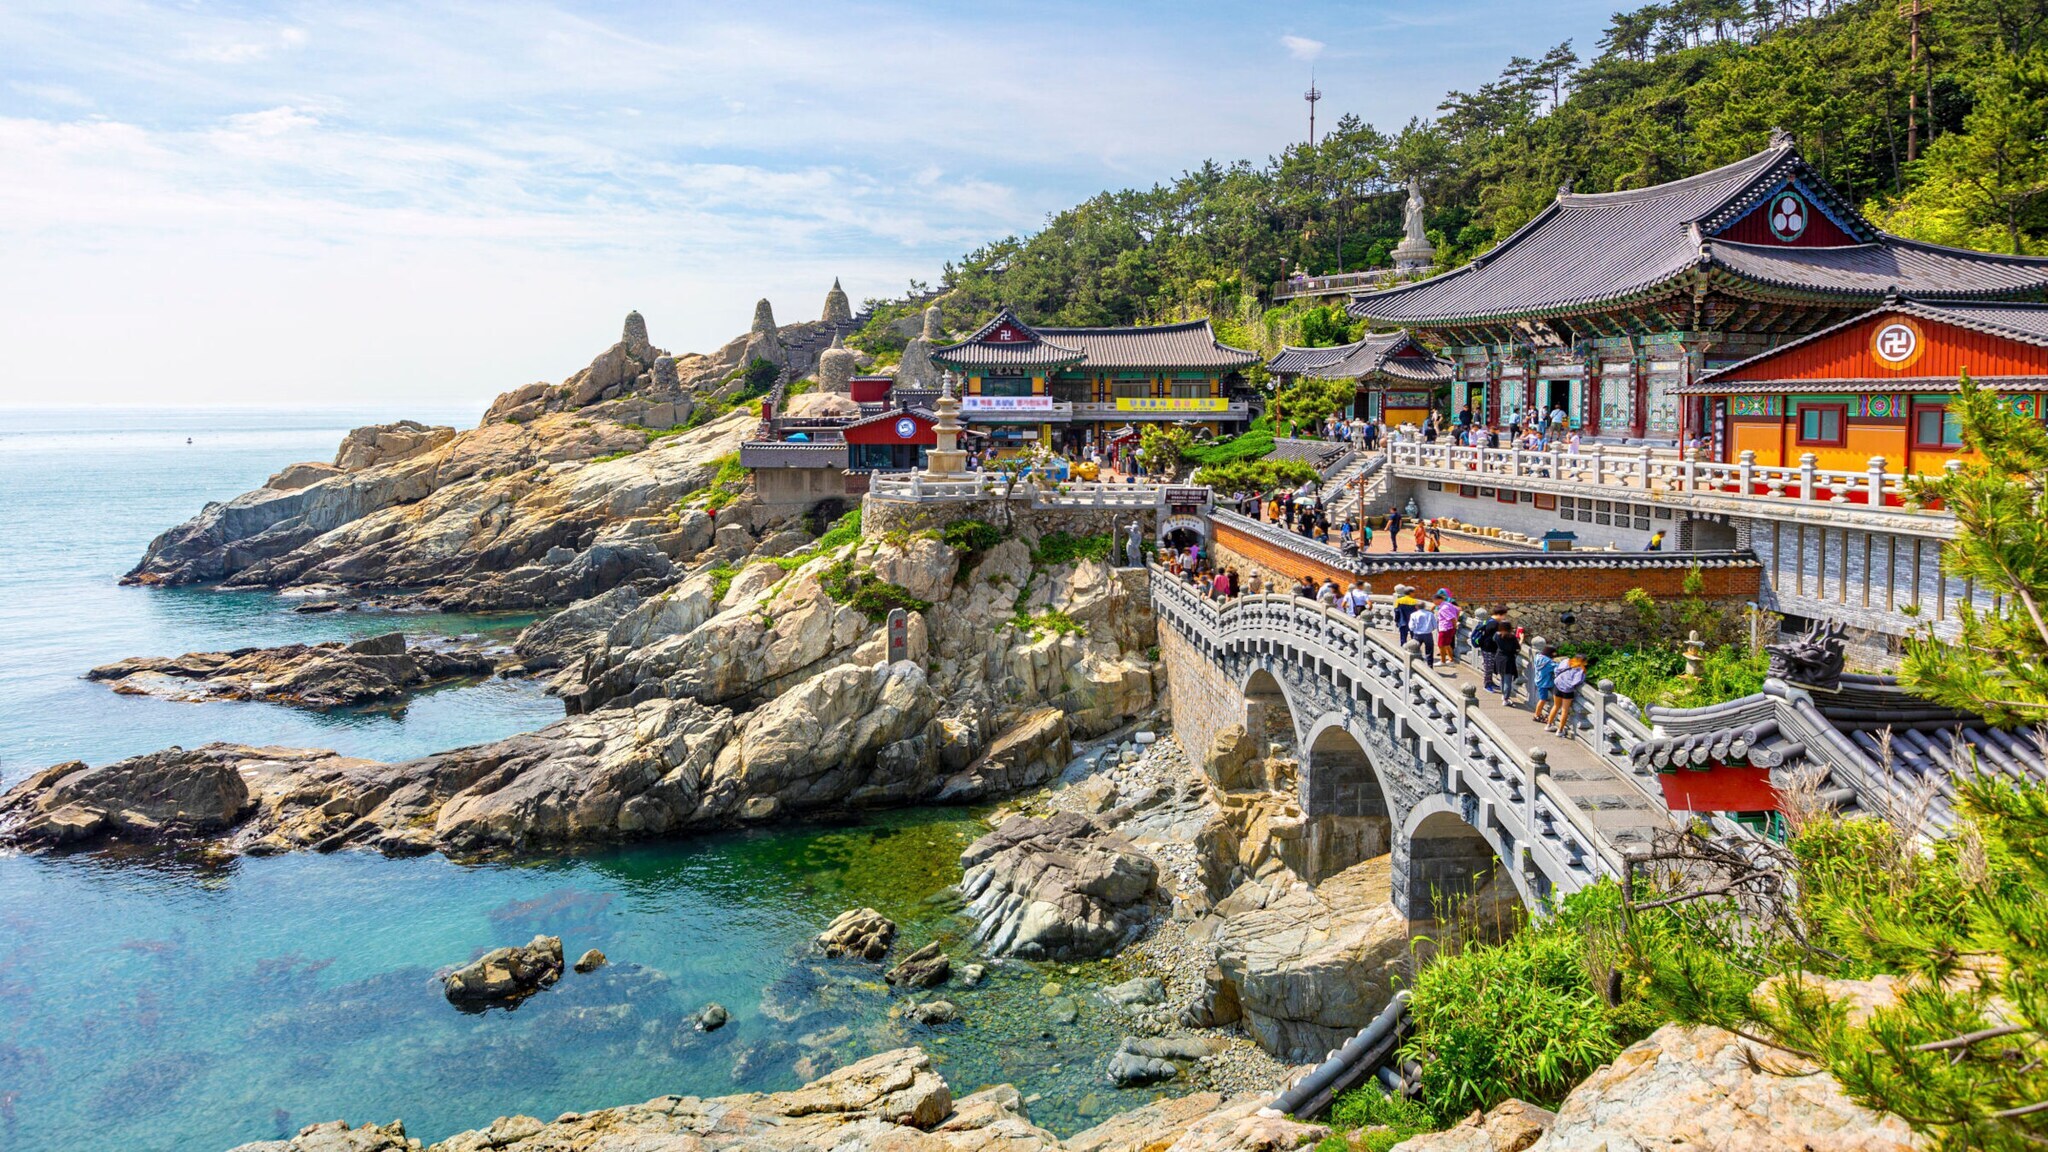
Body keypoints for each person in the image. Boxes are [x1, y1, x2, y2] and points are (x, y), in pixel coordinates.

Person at [1548, 655, 1587, 735]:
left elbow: (1557, 670)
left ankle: (1548, 725)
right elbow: (1577, 682)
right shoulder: (1581, 670)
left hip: (1558, 684)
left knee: (1555, 706)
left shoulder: (1566, 662)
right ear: (1583, 661)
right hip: (1567, 690)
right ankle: (1560, 731)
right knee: (1564, 710)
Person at [1494, 618, 1522, 705]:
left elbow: (1495, 639)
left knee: (1502, 678)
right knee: (1507, 680)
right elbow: (1517, 648)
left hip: (1499, 658)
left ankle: (1503, 695)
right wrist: (1521, 639)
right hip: (1508, 660)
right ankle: (1506, 699)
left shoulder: (1497, 635)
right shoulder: (1512, 637)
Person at [1471, 609, 1501, 691]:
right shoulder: (1493, 624)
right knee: (1488, 667)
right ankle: (1487, 685)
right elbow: (1494, 637)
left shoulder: (1489, 621)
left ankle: (1490, 682)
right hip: (1488, 648)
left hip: (1488, 647)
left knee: (1490, 666)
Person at [1529, 638, 1557, 720]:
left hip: (1539, 680)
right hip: (1545, 683)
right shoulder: (1548, 663)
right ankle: (1536, 715)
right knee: (1542, 699)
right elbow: (1557, 667)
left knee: (1542, 698)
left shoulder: (1538, 657)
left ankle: (1538, 714)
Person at [1433, 591, 1460, 667]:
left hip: (1445, 628)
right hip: (1449, 628)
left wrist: (1455, 625)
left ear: (1438, 600)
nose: (1433, 602)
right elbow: (1458, 610)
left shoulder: (1444, 608)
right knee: (1447, 644)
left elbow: (1451, 618)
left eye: (1434, 601)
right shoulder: (1448, 604)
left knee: (1441, 645)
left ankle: (1443, 661)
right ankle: (1451, 660)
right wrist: (1455, 623)